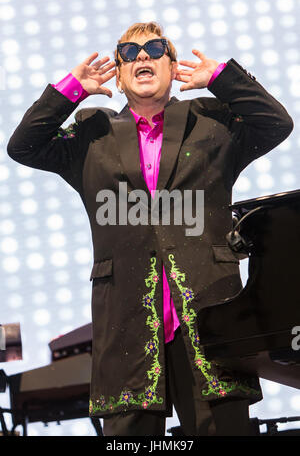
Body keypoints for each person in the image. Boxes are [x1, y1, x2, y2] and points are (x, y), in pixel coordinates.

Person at [7, 22, 293, 436]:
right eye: (128, 52)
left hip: (210, 315)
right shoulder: (92, 133)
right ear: (119, 76)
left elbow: (275, 123)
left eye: (155, 49)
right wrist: (71, 90)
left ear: (173, 67)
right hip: (125, 322)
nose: (142, 56)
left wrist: (219, 78)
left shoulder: (211, 123)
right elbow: (23, 146)